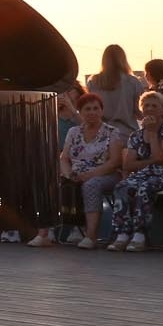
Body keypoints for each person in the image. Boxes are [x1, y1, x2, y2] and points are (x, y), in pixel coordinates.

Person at [110, 90, 163, 252]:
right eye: (146, 105)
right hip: (143, 175)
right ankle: (122, 233)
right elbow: (128, 165)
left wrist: (151, 134)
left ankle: (140, 234)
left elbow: (162, 159)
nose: (149, 108)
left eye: (154, 106)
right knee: (122, 186)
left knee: (144, 187)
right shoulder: (136, 136)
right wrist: (150, 162)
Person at [60, 94, 126, 248]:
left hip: (106, 174)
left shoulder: (111, 132)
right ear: (80, 112)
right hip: (76, 173)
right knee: (51, 182)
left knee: (91, 185)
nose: (92, 112)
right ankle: (45, 234)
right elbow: (64, 158)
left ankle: (91, 236)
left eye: (96, 108)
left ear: (101, 111)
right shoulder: (73, 132)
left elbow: (115, 161)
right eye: (87, 109)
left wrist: (87, 176)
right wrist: (69, 175)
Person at [85, 44, 147, 128]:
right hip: (126, 132)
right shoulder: (133, 82)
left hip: (101, 131)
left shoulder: (93, 82)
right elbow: (138, 111)